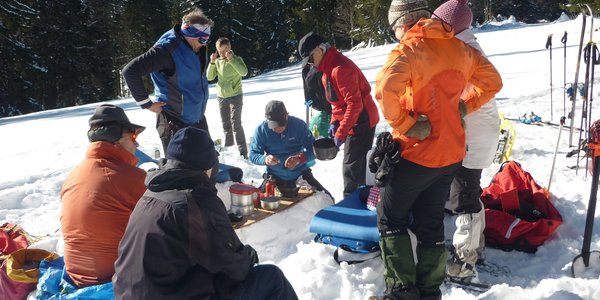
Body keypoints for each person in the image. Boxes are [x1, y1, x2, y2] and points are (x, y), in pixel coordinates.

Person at [373, 0, 503, 298]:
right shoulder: (459, 49)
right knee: (430, 220)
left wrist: (406, 124)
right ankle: (430, 290)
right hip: (451, 156)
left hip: (418, 153)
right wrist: (464, 105)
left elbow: (384, 90)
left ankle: (402, 291)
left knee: (389, 217)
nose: (395, 34)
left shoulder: (410, 49)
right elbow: (493, 82)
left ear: (404, 22)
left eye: (394, 28)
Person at [112, 127, 298, 300]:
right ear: (208, 166)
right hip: (169, 293)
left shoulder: (152, 192)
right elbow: (235, 267)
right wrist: (245, 257)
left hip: (131, 293)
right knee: (271, 278)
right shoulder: (196, 200)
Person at [433, 0, 501, 281]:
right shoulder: (462, 45)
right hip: (476, 132)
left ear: (450, 25)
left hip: (473, 135)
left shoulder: (462, 50)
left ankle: (464, 261)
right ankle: (475, 248)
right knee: (469, 192)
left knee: (463, 197)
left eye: (438, 22)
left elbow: (454, 94)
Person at [60, 104, 146, 288]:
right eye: (133, 136)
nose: (137, 143)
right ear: (116, 141)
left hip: (77, 276)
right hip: (115, 279)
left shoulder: (74, 175)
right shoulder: (130, 178)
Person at [298, 32, 380, 197]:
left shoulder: (340, 69)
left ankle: (352, 202)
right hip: (352, 121)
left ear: (320, 50)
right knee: (355, 164)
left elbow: (354, 104)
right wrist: (334, 122)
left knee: (351, 166)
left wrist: (341, 132)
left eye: (311, 58)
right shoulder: (327, 70)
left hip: (363, 121)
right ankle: (359, 196)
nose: (311, 64)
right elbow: (336, 103)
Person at [122, 8, 214, 153]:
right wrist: (146, 103)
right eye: (202, 39)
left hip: (197, 118)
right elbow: (130, 71)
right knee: (181, 172)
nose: (204, 44)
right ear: (190, 34)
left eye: (207, 39)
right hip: (174, 121)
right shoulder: (167, 50)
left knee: (209, 164)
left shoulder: (195, 47)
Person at [249, 100, 330, 198]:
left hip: (300, 174)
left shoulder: (298, 125)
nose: (278, 129)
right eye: (274, 126)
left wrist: (300, 159)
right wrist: (265, 159)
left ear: (287, 115)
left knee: (327, 198)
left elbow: (315, 151)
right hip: (274, 176)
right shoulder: (261, 130)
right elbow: (253, 155)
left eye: (281, 125)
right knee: (256, 203)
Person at [207, 37, 249, 159]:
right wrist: (212, 63)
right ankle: (230, 146)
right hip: (221, 97)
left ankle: (243, 152)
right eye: (219, 51)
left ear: (229, 49)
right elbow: (209, 77)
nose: (222, 54)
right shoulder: (218, 61)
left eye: (224, 51)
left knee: (236, 123)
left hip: (235, 95)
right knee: (226, 123)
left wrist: (232, 60)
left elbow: (244, 72)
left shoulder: (237, 59)